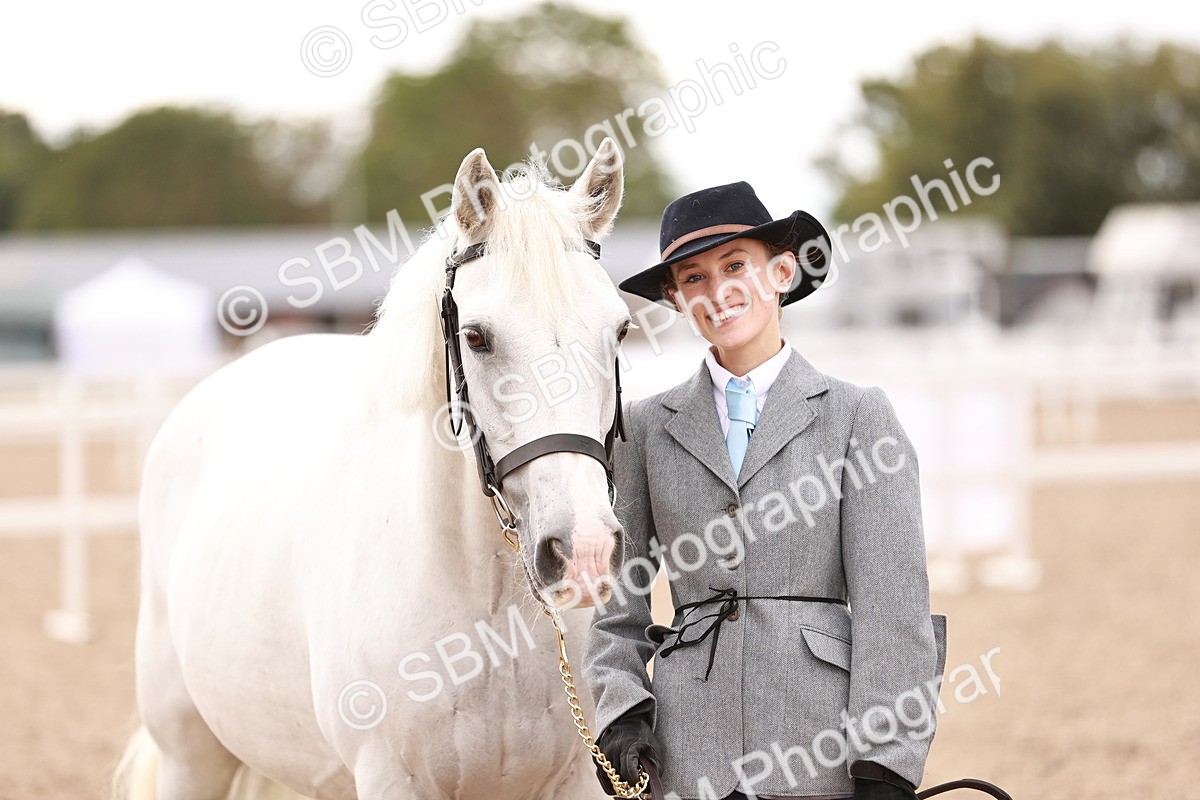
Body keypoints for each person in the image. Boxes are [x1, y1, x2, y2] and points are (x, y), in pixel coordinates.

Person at [583, 182, 948, 800]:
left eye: (734, 266)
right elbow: (617, 611)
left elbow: (893, 610)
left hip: (820, 744)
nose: (717, 292)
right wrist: (621, 711)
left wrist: (886, 760)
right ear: (676, 299)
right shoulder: (642, 429)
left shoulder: (858, 417)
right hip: (690, 749)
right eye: (692, 278)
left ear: (781, 272)